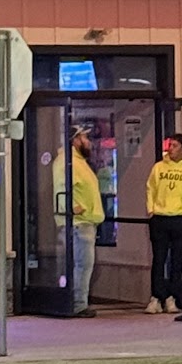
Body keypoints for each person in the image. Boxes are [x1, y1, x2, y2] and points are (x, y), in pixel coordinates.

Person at [145, 132, 182, 314]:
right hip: (160, 217)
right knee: (159, 259)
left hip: (179, 218)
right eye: (170, 145)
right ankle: (156, 297)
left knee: (177, 260)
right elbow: (150, 188)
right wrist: (151, 209)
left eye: (175, 146)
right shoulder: (159, 167)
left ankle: (172, 298)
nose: (170, 149)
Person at [68, 127, 104, 317]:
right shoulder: (69, 163)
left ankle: (79, 302)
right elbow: (62, 186)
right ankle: (78, 304)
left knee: (84, 265)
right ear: (75, 140)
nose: (88, 141)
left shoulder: (80, 163)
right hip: (80, 223)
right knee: (82, 265)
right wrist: (73, 206)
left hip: (87, 222)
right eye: (84, 137)